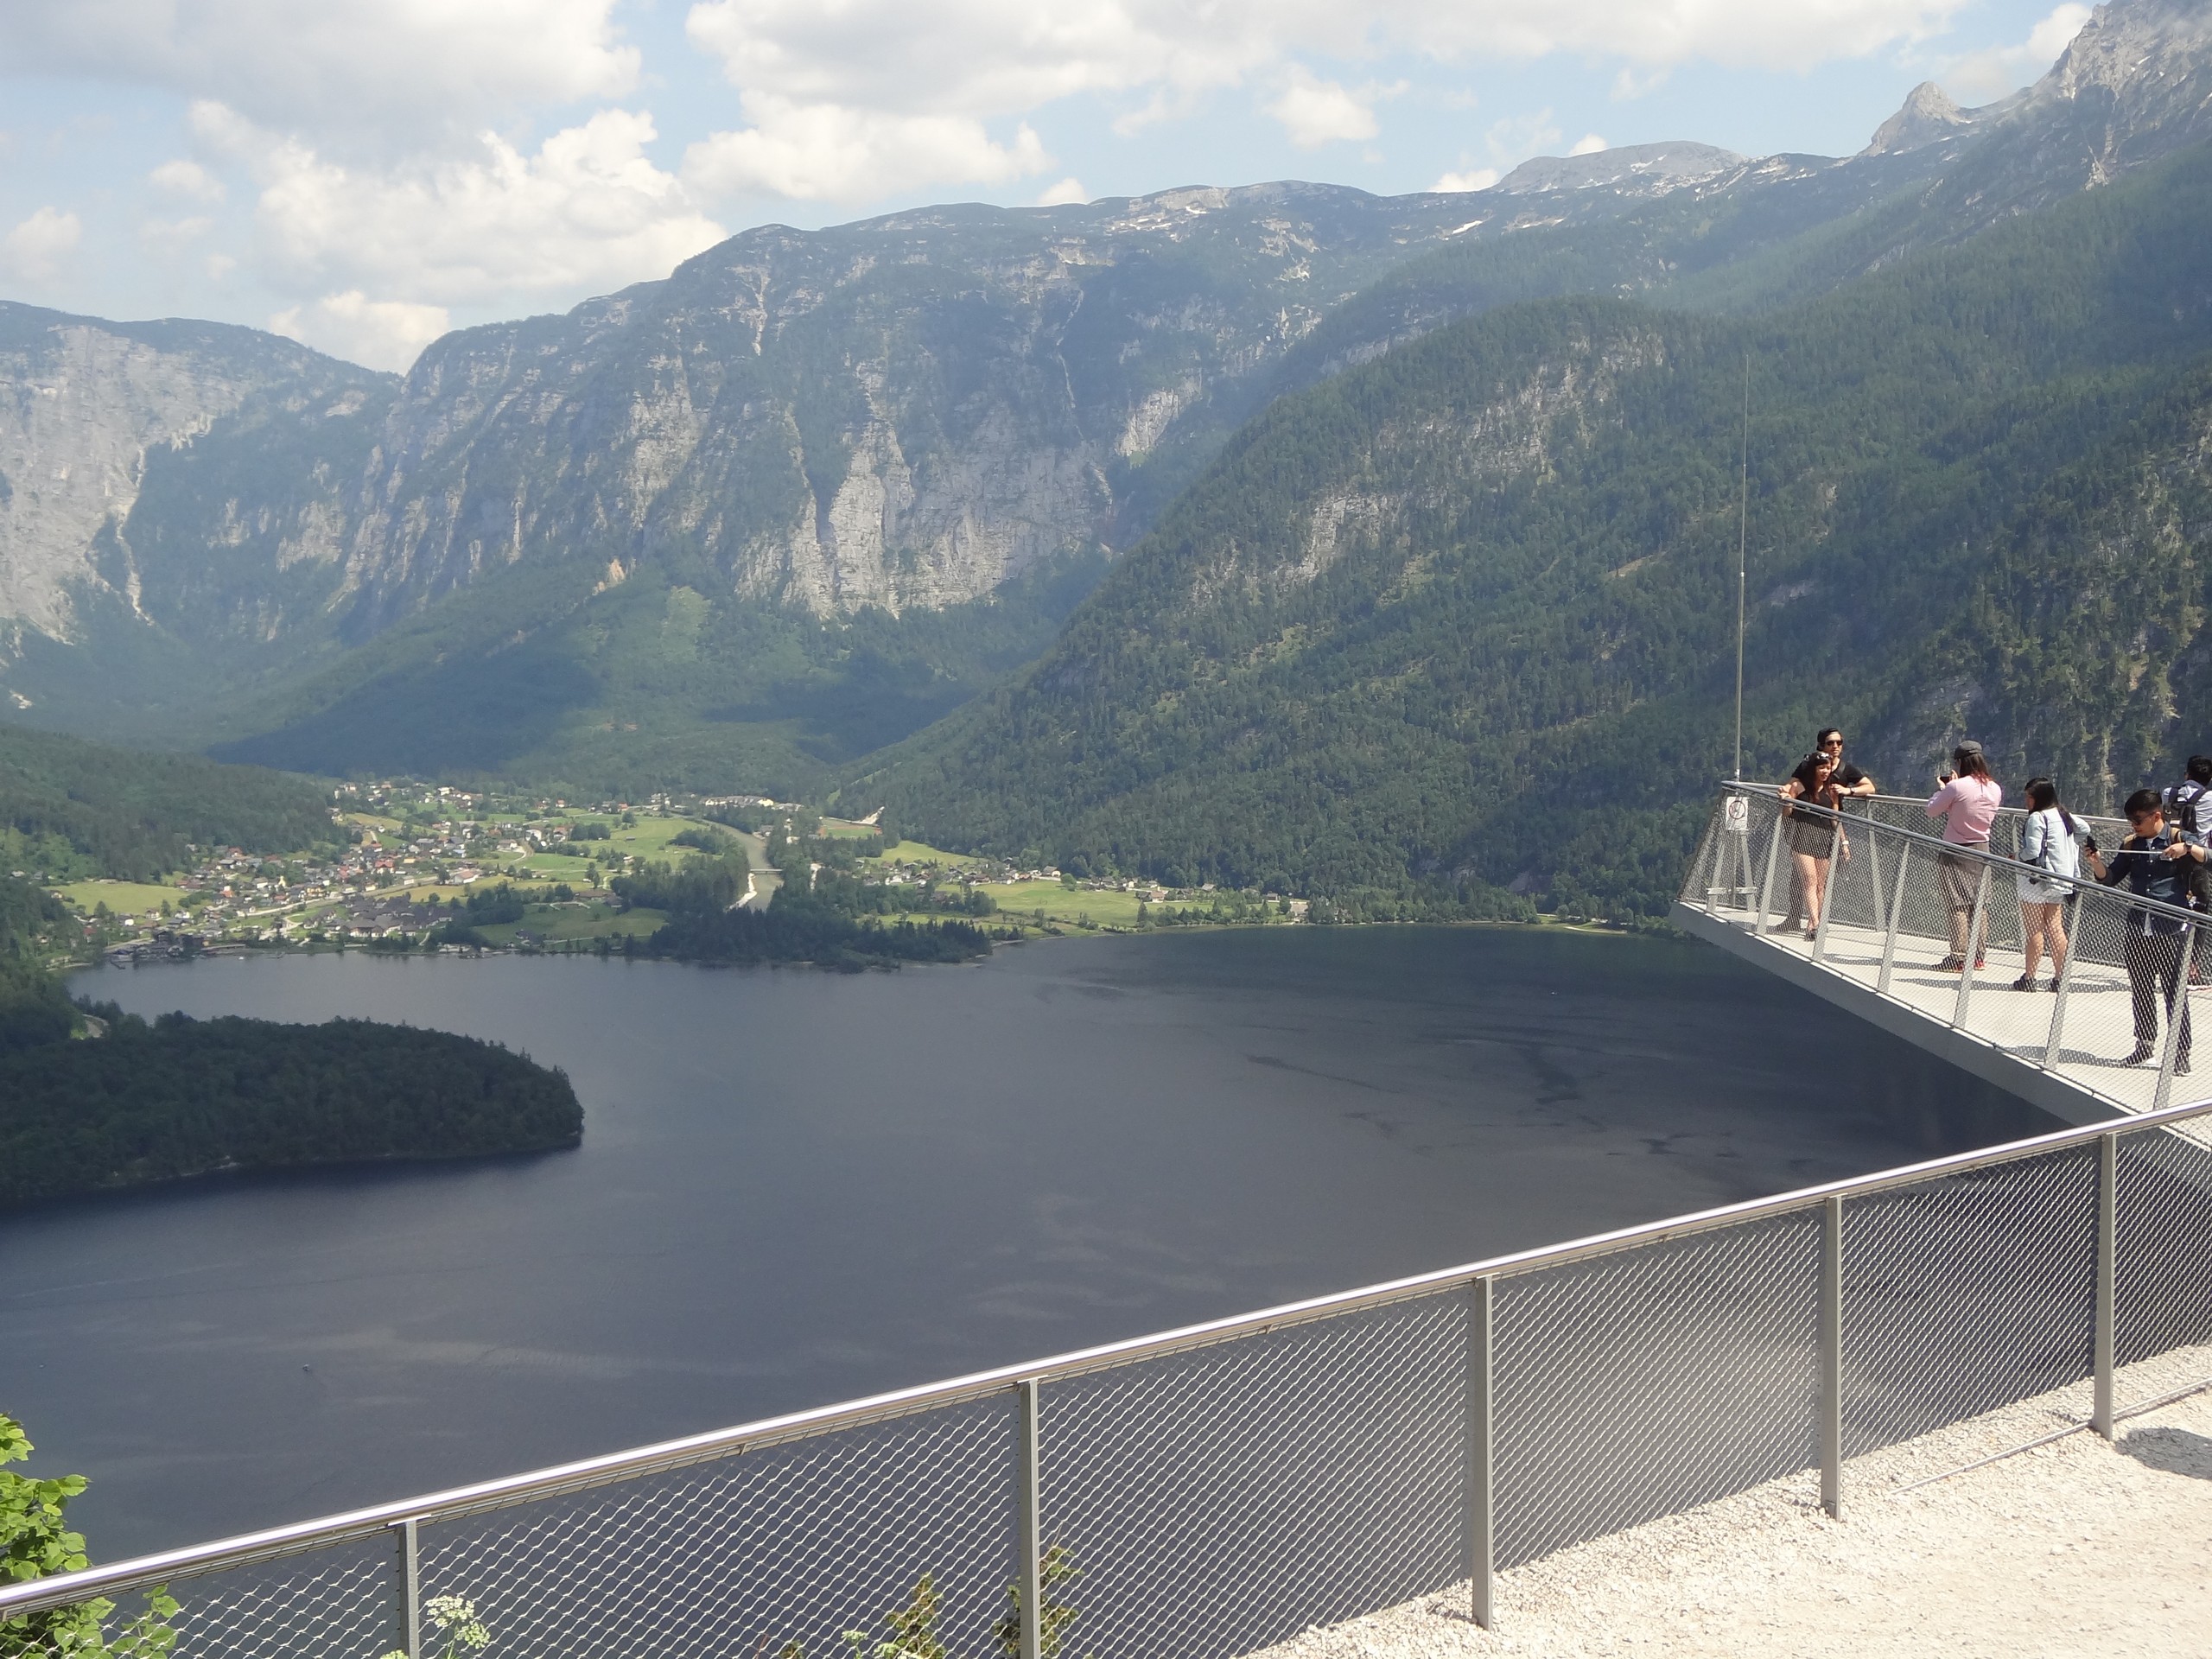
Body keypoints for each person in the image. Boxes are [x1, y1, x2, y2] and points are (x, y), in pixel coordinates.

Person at [2088, 789, 2207, 1071]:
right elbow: (2111, 878)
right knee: (2140, 989)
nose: (2133, 825)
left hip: (2171, 928)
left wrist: (2188, 849)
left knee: (2174, 992)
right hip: (2138, 926)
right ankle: (2144, 1045)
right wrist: (2096, 863)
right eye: (2130, 820)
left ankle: (2181, 1052)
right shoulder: (2131, 843)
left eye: (2138, 820)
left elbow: (2209, 858)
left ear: (2157, 816)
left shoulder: (2179, 838)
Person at [1779, 729, 1876, 928]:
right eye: (1831, 743)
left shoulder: (1844, 771)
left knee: (1817, 883)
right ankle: (1800, 919)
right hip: (1804, 833)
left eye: (1839, 743)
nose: (1836, 747)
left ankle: (1813, 924)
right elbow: (1790, 788)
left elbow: (1867, 789)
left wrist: (1848, 791)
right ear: (1821, 745)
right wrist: (1787, 797)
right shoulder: (1807, 767)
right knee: (1806, 880)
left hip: (1825, 833)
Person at [1925, 741, 2003, 971]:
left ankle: (1958, 958)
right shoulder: (1995, 788)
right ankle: (1978, 957)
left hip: (1956, 850)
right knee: (1979, 905)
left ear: (1959, 763)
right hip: (1983, 849)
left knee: (1957, 904)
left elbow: (1931, 811)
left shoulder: (1956, 788)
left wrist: (1943, 789)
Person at [2013, 777, 2080, 991]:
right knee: (2055, 928)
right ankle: (2060, 979)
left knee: (2034, 929)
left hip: (2036, 881)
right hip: (2061, 879)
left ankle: (2030, 977)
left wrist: (2017, 857)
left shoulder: (2037, 818)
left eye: (2029, 797)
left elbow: (2032, 851)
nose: (2027, 802)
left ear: (2037, 799)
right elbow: (2084, 829)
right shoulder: (2063, 815)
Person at [1777, 751, 1849, 939]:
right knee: (1810, 880)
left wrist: (1844, 842)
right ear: (1813, 769)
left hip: (1824, 839)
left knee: (1821, 885)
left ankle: (1813, 923)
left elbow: (1835, 818)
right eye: (1821, 767)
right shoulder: (1798, 787)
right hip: (1802, 838)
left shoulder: (1831, 790)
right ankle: (1816, 922)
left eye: (1827, 767)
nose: (1825, 771)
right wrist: (1786, 800)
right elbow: (1787, 813)